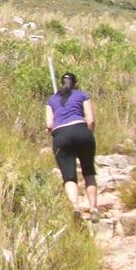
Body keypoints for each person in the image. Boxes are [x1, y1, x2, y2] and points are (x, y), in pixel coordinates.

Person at [45, 72, 98, 217]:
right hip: (82, 131)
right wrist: (88, 135)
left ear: (62, 83)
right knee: (89, 172)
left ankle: (76, 208)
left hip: (61, 135)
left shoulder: (52, 100)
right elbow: (91, 120)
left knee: (69, 177)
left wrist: (58, 137)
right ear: (76, 83)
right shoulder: (82, 95)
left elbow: (49, 124)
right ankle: (93, 208)